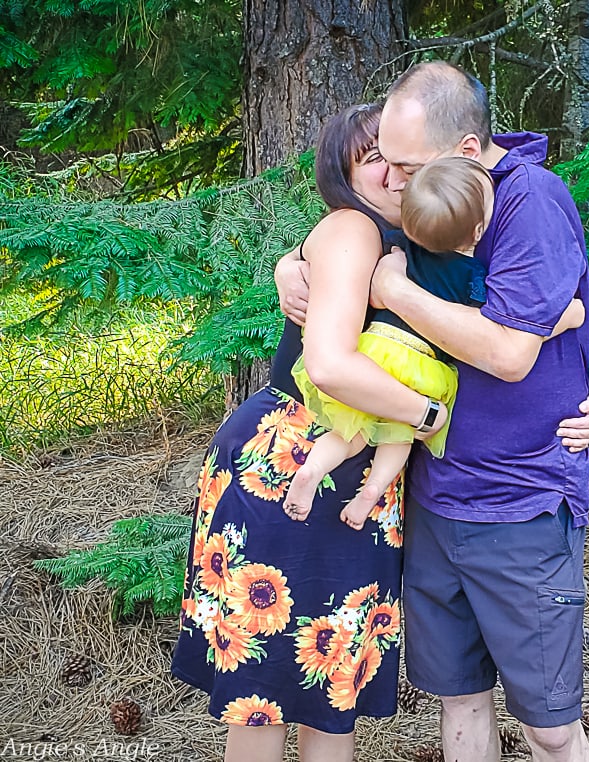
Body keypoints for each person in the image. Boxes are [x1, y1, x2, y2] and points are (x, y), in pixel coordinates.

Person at [275, 62, 589, 762]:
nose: (392, 180)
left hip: (518, 503)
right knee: (459, 704)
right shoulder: (424, 215)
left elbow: (511, 353)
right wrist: (293, 261)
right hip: (436, 498)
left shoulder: (528, 203)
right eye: (381, 163)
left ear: (462, 152)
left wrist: (396, 292)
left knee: (548, 724)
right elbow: (343, 259)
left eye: (404, 164)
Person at [171, 103, 450, 762]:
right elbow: (328, 363)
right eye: (371, 156)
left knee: (332, 690)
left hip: (355, 481)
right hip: (291, 461)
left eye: (396, 150)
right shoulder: (355, 227)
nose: (392, 168)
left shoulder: (414, 236)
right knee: (264, 693)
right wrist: (428, 416)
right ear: (343, 175)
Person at [284, 156, 586, 531]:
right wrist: (569, 317)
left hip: (375, 350)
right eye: (378, 161)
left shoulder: (400, 251)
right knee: (400, 436)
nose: (395, 176)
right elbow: (504, 332)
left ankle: (313, 468)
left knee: (351, 433)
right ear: (477, 232)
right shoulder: (472, 279)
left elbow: (376, 280)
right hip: (420, 366)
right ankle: (369, 494)